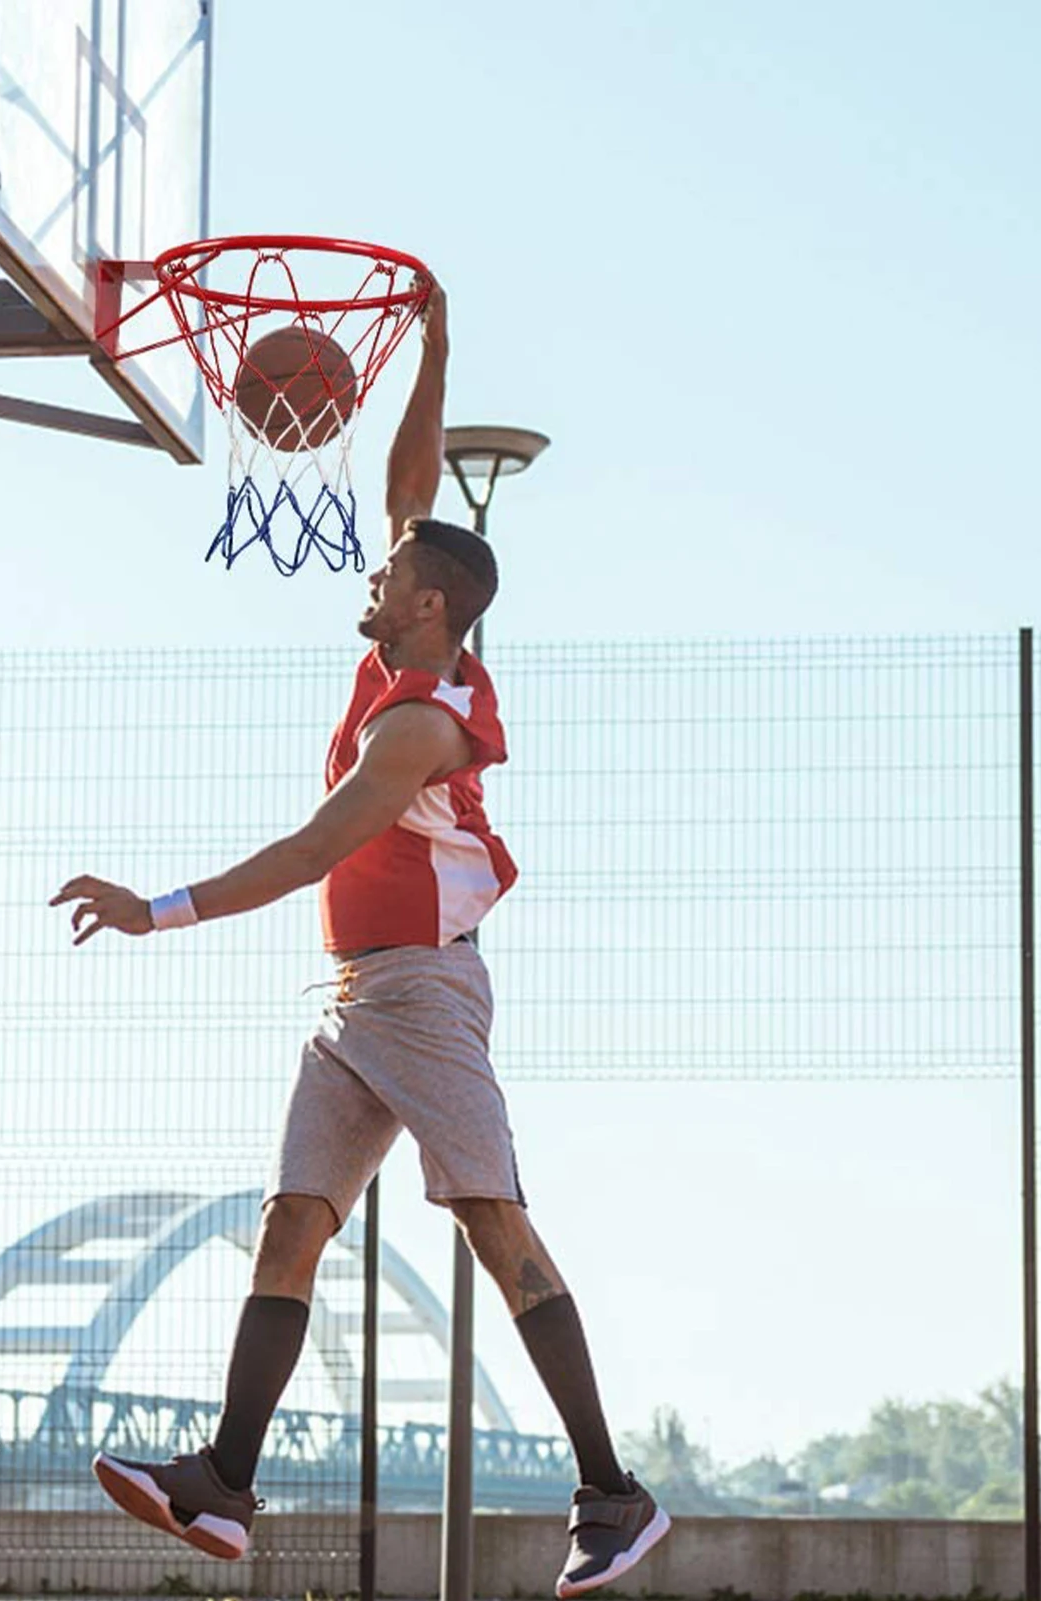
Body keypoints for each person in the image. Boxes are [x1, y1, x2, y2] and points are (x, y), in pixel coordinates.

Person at [50, 281, 671, 1598]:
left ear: (431, 608)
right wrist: (435, 352)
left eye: (393, 574)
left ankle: (615, 1495)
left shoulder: (420, 725)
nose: (372, 570)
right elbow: (413, 483)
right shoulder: (399, 655)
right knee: (292, 1226)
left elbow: (313, 851)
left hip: (428, 1000)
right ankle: (223, 1486)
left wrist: (158, 908)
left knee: (496, 1227)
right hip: (353, 1000)